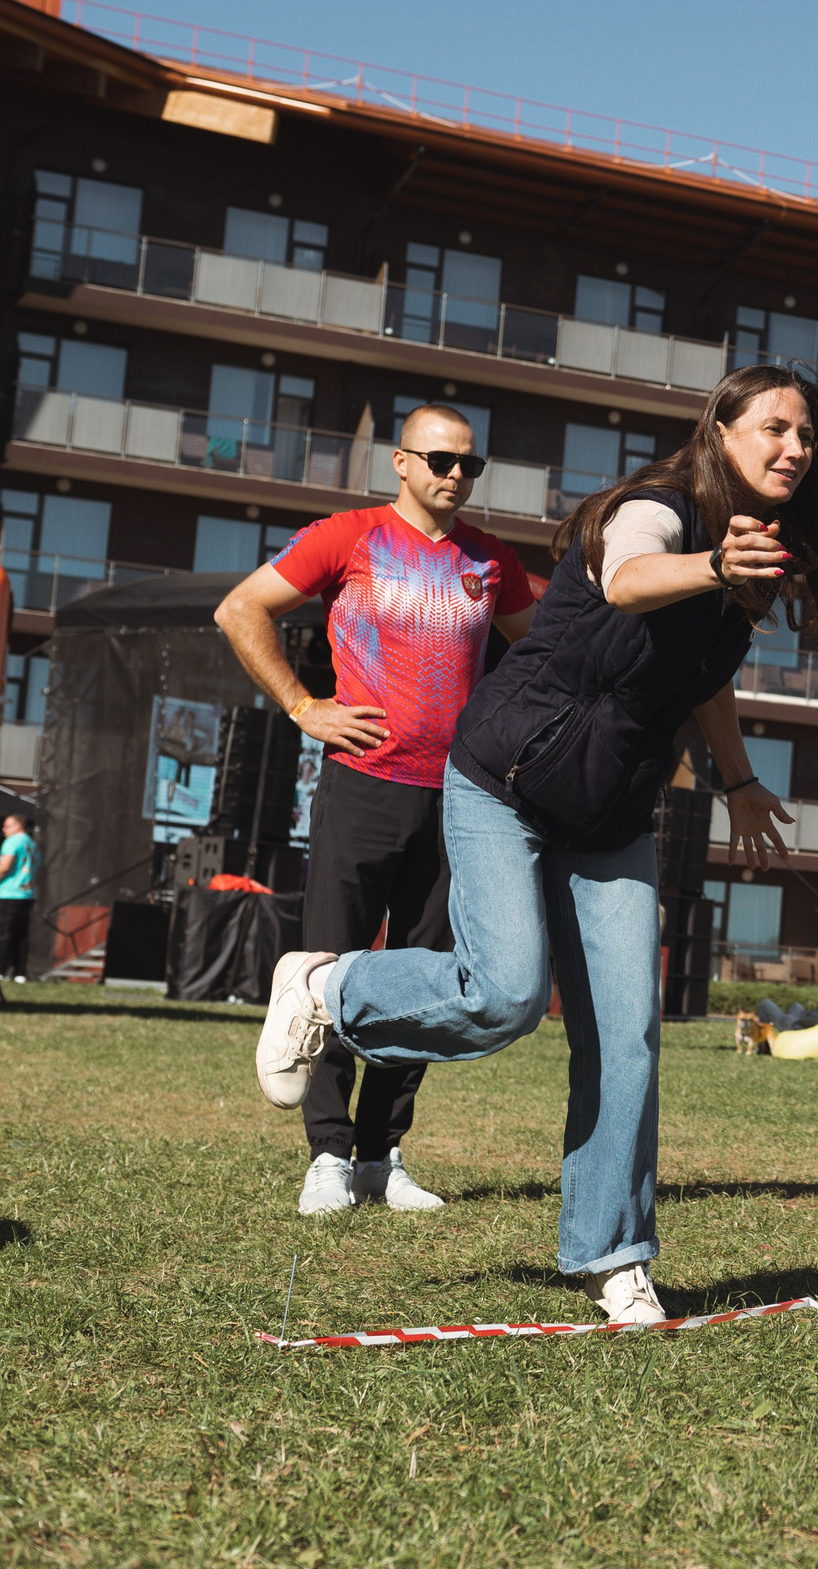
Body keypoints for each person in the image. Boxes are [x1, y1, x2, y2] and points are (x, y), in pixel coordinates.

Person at [252, 365, 818, 1323]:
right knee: (500, 995)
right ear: (721, 428)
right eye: (776, 427)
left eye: (808, 437)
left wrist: (737, 777)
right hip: (505, 778)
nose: (797, 447)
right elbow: (628, 579)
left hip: (613, 812)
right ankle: (328, 988)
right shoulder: (654, 508)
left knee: (626, 1039)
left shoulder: (756, 551)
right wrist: (710, 566)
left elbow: (702, 672)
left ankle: (613, 1254)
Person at [215, 403, 536, 1218]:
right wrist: (301, 705)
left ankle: (380, 1154)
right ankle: (326, 1153)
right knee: (328, 966)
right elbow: (239, 609)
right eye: (439, 459)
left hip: (460, 798)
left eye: (470, 464)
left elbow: (544, 656)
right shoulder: (348, 537)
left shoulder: (490, 561)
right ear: (400, 461)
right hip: (362, 785)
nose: (455, 474)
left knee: (424, 978)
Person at [0, 813, 38, 980]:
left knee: (2, 932)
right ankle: (19, 972)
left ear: (17, 826)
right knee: (20, 935)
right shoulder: (32, 844)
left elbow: (5, 866)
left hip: (9, 893)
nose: (4, 830)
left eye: (7, 826)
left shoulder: (13, 841)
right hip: (27, 894)